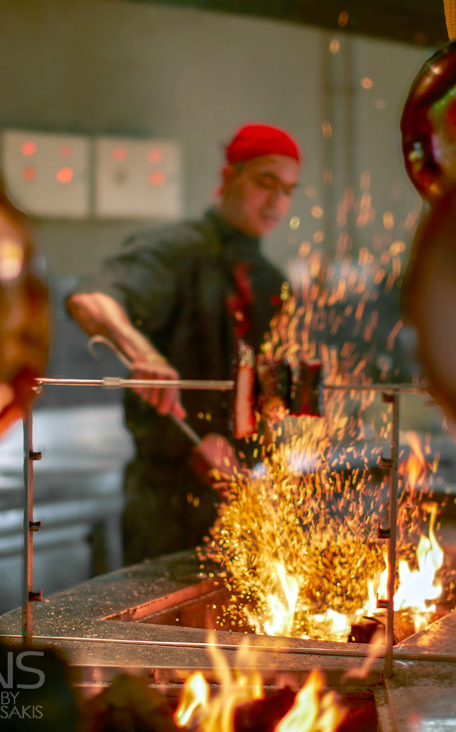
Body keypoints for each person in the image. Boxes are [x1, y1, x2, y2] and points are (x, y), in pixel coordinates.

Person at [66, 123, 301, 565]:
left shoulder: (273, 283)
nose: (276, 201)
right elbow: (90, 300)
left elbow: (267, 395)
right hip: (165, 504)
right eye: (265, 183)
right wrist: (143, 354)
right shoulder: (172, 253)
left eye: (288, 190)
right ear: (229, 177)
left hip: (242, 496)